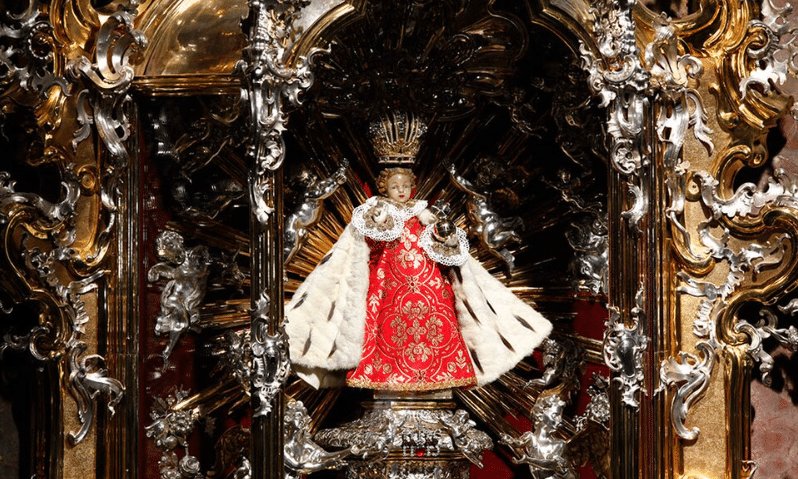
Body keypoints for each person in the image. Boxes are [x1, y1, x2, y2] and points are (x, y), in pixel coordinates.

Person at [284, 163, 552, 391]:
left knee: (438, 322)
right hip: (389, 284)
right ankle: (385, 375)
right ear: (383, 189)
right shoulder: (375, 212)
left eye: (404, 186)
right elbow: (367, 246)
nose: (400, 191)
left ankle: (439, 375)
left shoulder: (425, 214)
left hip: (428, 285)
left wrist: (444, 237)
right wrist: (378, 224)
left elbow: (442, 248)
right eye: (394, 187)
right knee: (383, 327)